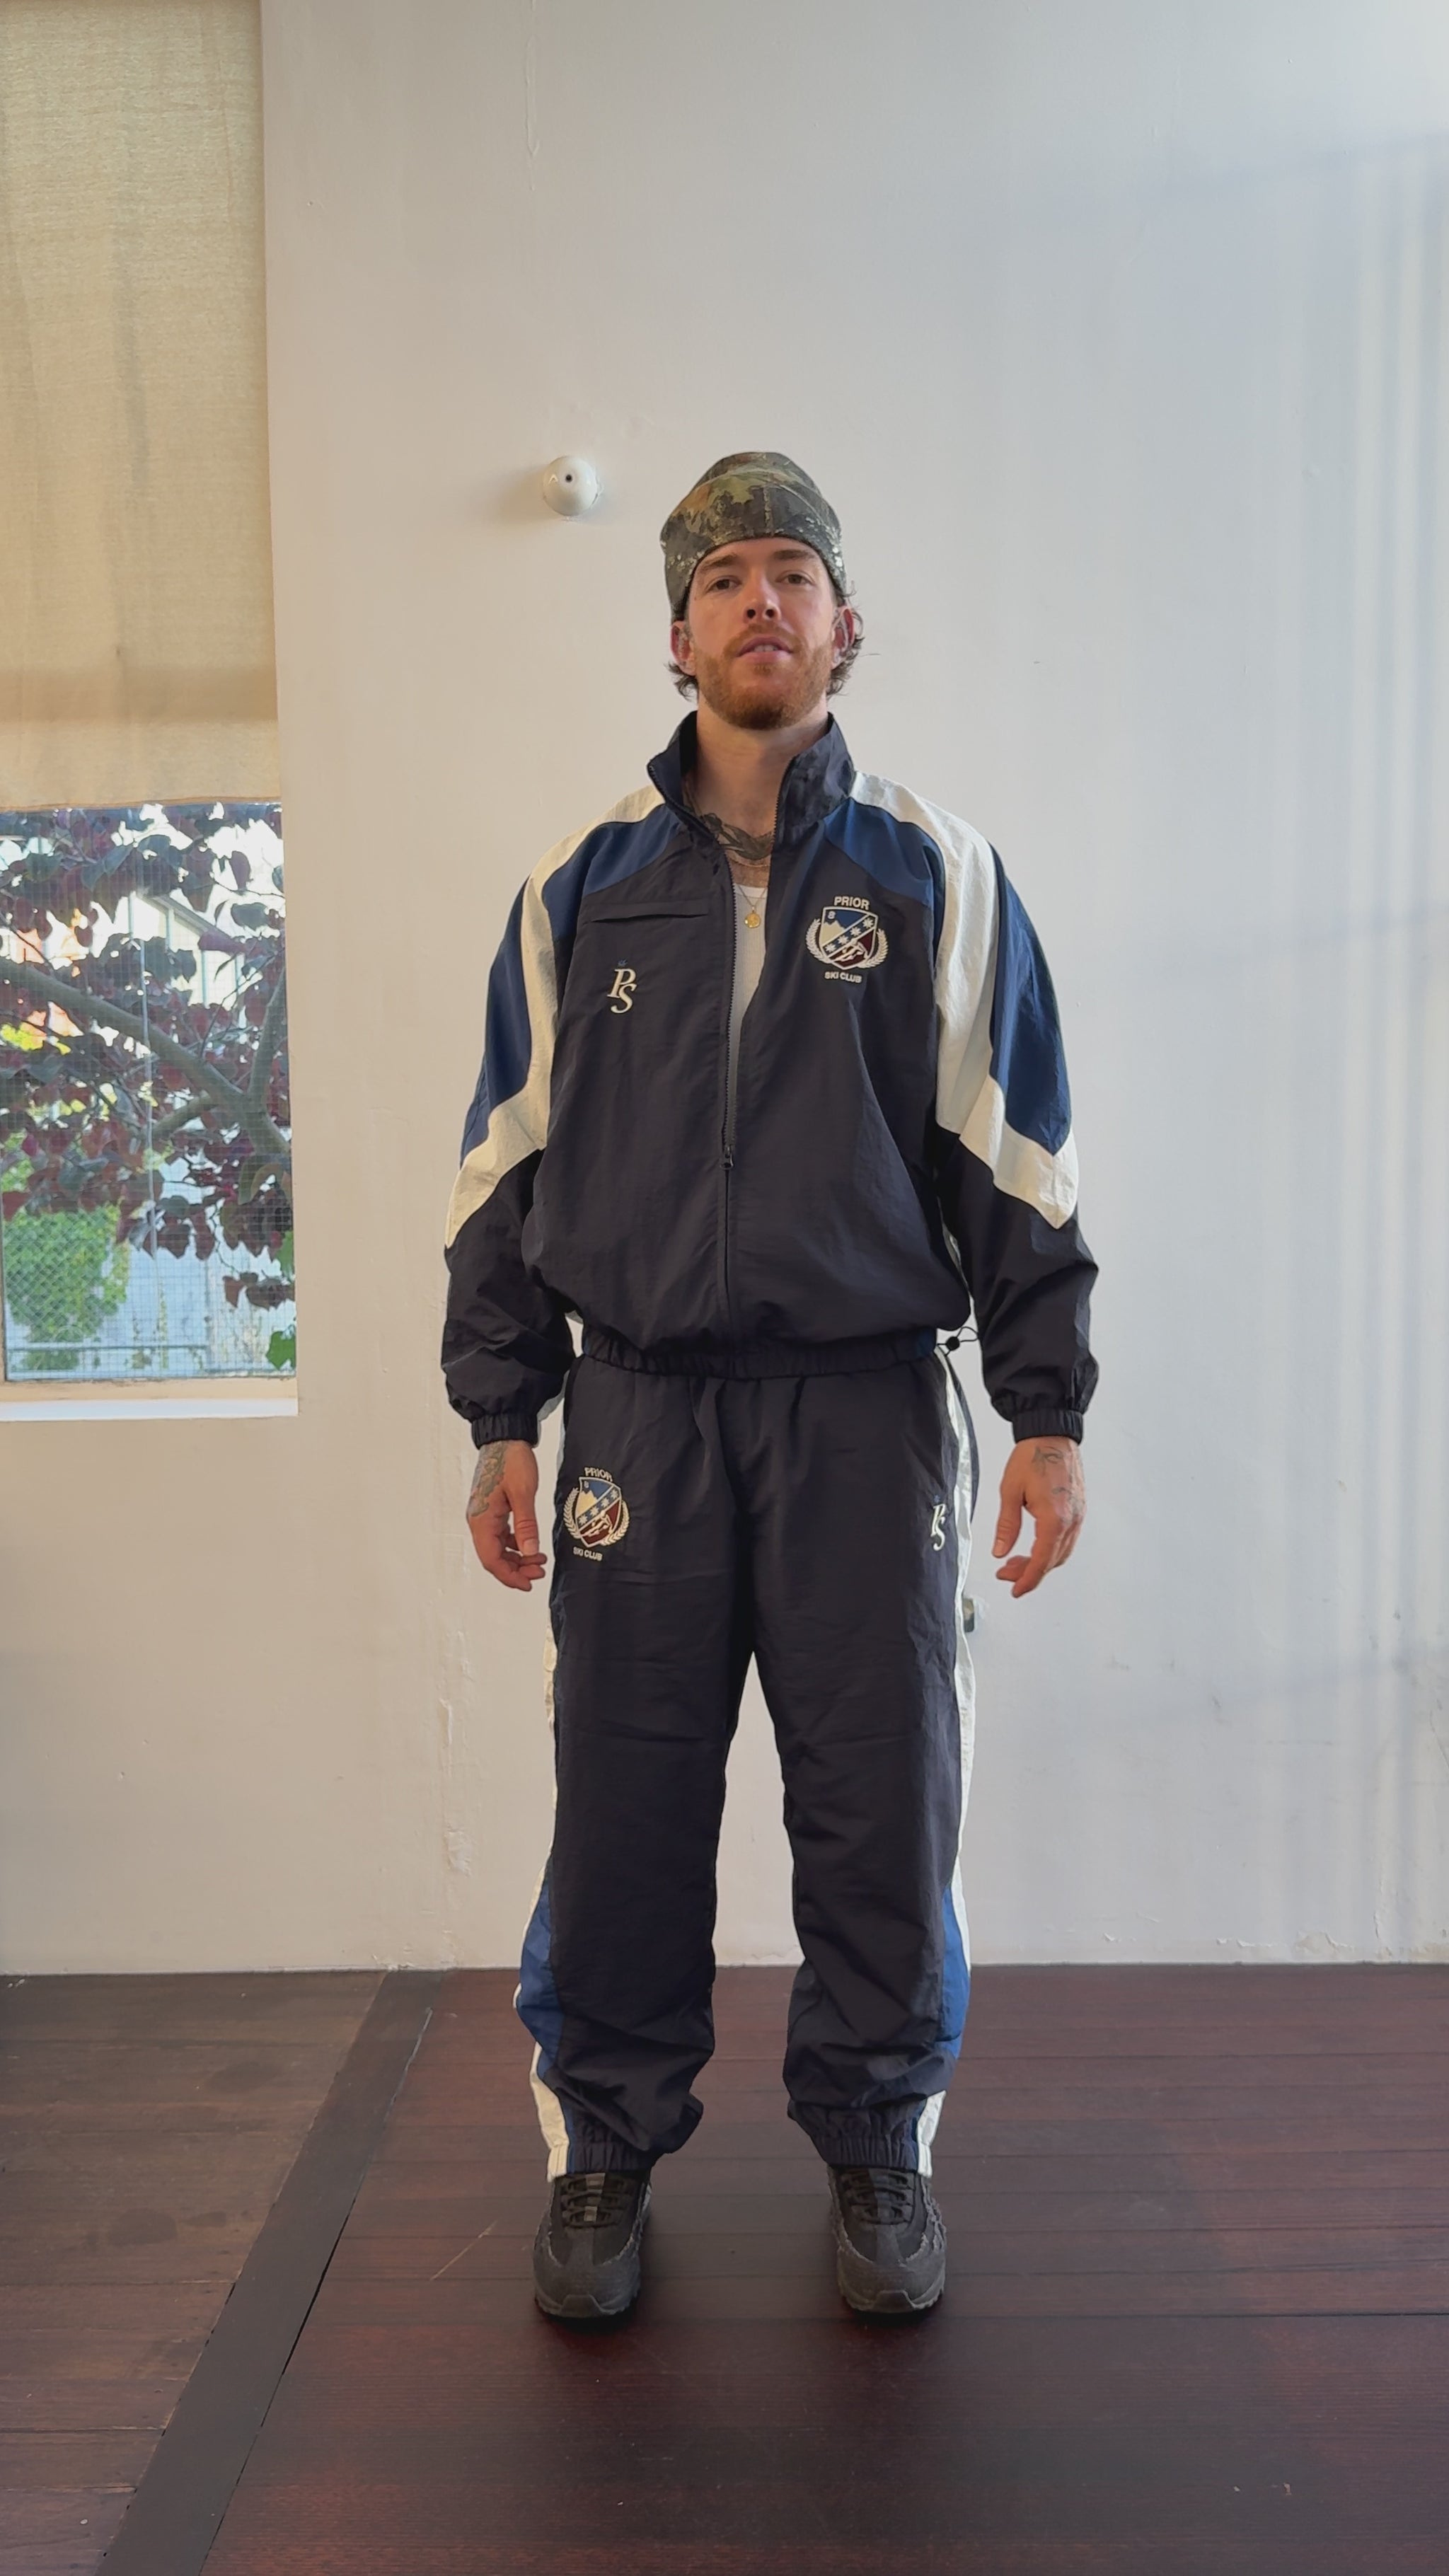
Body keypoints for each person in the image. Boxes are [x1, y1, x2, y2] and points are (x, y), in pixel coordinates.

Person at [442, 451, 1097, 2323]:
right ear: (677, 636)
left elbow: (1021, 1159)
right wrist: (502, 1417)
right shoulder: (580, 889)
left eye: (789, 573)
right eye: (722, 576)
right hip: (637, 1421)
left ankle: (881, 2142)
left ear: (843, 622)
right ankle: (603, 2152)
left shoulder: (938, 874)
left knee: (883, 1800)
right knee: (622, 1799)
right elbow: (502, 1171)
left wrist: (1046, 1411)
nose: (758, 601)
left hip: (866, 1414)